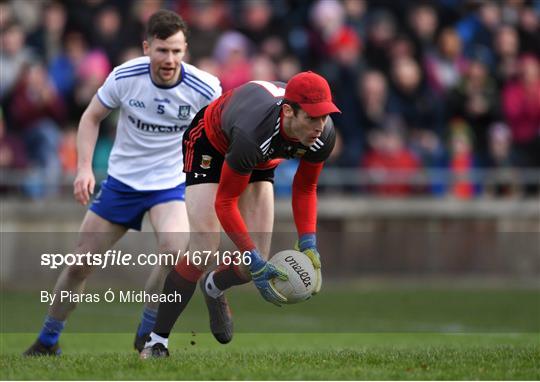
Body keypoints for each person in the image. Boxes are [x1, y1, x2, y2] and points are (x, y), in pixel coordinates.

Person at [23, 9, 222, 356]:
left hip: (170, 185)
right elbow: (90, 117)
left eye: (176, 51)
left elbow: (220, 135)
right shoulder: (125, 77)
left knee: (176, 254)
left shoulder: (204, 88)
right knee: (79, 264)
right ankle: (48, 341)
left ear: (185, 50)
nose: (170, 59)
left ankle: (147, 332)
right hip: (122, 183)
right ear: (147, 48)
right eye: (162, 50)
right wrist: (84, 168)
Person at [140, 71, 340, 358]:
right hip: (212, 144)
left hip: (258, 156)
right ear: (288, 111)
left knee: (252, 262)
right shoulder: (252, 133)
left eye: (324, 116)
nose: (320, 125)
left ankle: (213, 287)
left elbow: (306, 186)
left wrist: (308, 241)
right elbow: (225, 202)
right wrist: (252, 255)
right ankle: (156, 341)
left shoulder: (323, 134)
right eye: (312, 118)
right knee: (203, 251)